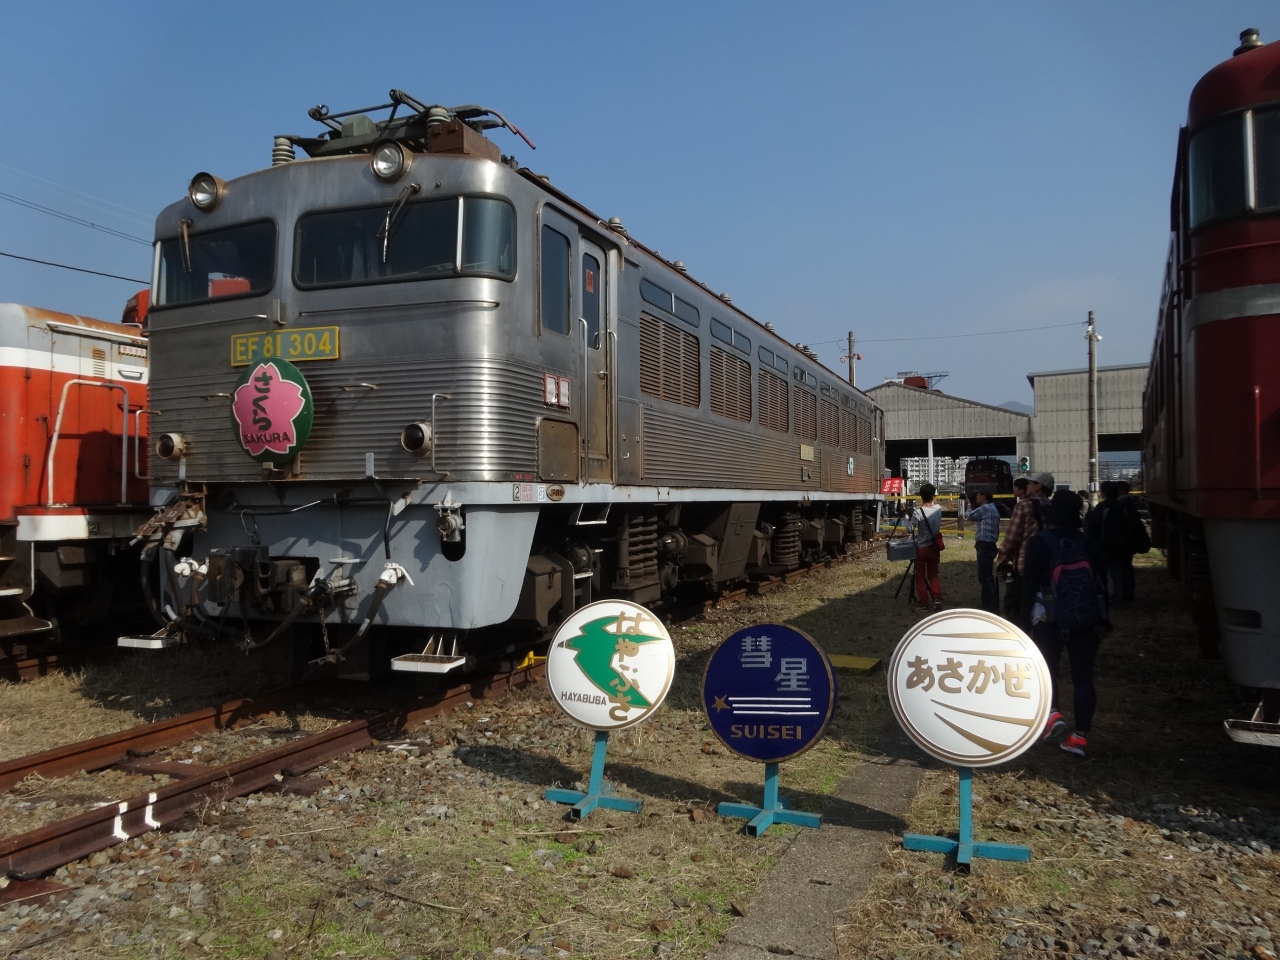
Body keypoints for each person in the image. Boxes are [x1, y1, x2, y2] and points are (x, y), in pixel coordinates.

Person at [1022, 490, 1108, 757]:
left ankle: (1053, 714)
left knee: (1046, 669)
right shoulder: (1088, 542)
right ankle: (1079, 738)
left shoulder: (1039, 542)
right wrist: (1105, 618)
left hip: (1049, 617)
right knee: (1084, 679)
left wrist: (1022, 622)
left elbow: (1028, 584)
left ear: (1051, 517)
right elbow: (1101, 584)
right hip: (1086, 619)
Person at [997, 472, 1053, 627]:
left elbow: (1011, 538)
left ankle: (1025, 638)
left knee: (1022, 609)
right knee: (1044, 605)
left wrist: (1000, 561)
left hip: (1025, 565)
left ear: (1038, 486)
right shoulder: (1051, 506)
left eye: (1029, 483)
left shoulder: (1024, 505)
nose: (1026, 486)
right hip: (1048, 565)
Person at [907, 483, 944, 611]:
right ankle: (937, 598)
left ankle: (923, 603)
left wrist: (908, 516)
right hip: (934, 547)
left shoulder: (918, 513)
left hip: (921, 548)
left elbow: (909, 529)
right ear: (933, 496)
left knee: (920, 576)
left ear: (920, 496)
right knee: (933, 574)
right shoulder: (938, 509)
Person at [966, 490, 1000, 612]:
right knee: (988, 575)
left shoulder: (985, 508)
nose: (976, 497)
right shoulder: (992, 508)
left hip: (984, 545)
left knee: (984, 576)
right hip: (990, 544)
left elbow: (969, 516)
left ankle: (989, 604)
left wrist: (969, 504)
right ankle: (990, 602)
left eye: (978, 495)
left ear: (984, 497)